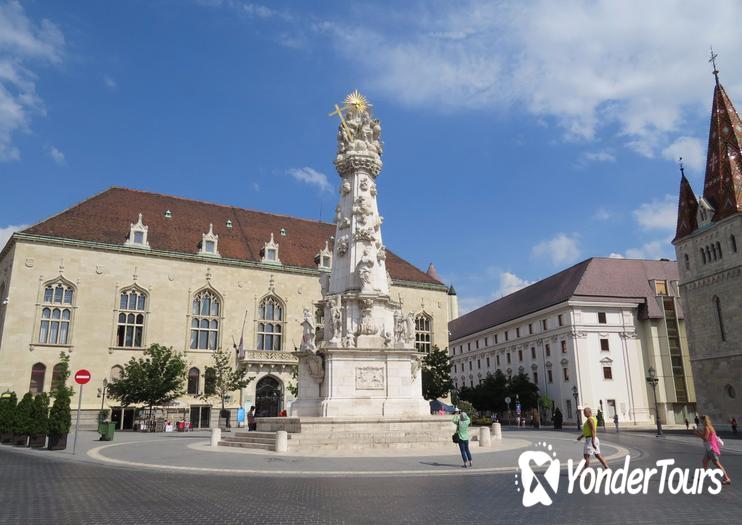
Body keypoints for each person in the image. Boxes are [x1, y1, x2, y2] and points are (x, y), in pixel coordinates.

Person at [693, 415, 731, 486]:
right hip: (709, 449)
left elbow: (705, 438)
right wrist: (698, 432)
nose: (700, 421)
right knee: (704, 462)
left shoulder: (707, 428)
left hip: (711, 449)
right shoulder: (710, 427)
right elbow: (706, 436)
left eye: (701, 420)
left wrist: (696, 433)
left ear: (704, 420)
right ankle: (701, 477)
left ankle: (726, 478)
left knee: (717, 464)